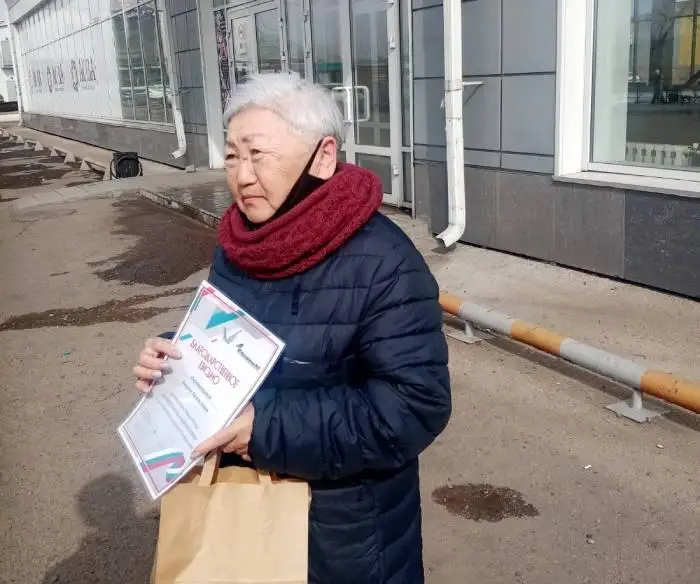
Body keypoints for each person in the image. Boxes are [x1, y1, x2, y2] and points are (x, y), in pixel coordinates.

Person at [133, 72, 451, 584]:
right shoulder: (239, 246)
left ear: (323, 157)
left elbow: (414, 406)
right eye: (232, 155)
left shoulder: (384, 261)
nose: (242, 176)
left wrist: (264, 428)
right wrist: (179, 359)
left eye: (258, 155)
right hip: (243, 522)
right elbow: (233, 342)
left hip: (345, 541)